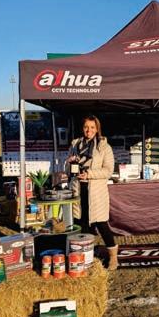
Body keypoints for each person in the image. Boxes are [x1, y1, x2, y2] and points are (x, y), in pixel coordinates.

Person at [68, 115, 118, 270]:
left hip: (95, 193)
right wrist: (69, 164)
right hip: (78, 190)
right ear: (82, 128)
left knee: (101, 225)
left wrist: (89, 174)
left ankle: (113, 257)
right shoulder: (75, 145)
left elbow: (108, 171)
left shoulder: (104, 147)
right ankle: (83, 258)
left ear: (97, 129)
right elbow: (68, 171)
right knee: (80, 225)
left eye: (92, 127)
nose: (88, 130)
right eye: (86, 127)